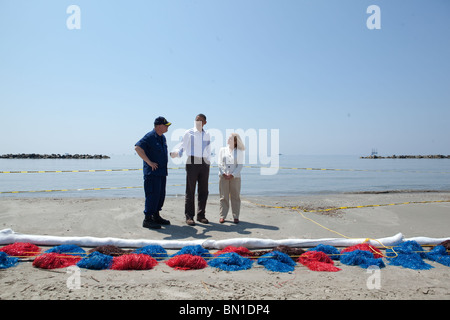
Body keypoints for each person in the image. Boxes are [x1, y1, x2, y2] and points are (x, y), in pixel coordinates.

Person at [170, 114, 211, 226]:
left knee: (204, 190)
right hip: (192, 161)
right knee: (190, 190)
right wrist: (176, 154)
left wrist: (208, 162)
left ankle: (201, 215)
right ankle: (189, 217)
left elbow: (208, 149)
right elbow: (182, 147)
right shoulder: (189, 133)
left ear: (205, 123)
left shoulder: (207, 134)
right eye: (196, 120)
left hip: (204, 162)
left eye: (200, 121)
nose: (198, 122)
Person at [135, 116, 171, 229]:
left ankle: (156, 215)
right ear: (159, 126)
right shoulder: (150, 136)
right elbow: (137, 148)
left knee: (160, 195)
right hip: (152, 173)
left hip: (161, 172)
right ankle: (147, 219)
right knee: (152, 195)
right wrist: (149, 162)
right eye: (166, 126)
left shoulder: (162, 137)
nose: (167, 128)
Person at [218, 133, 245, 224]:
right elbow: (220, 163)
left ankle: (236, 216)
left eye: (230, 139)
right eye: (228, 138)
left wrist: (232, 175)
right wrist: (224, 173)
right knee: (223, 197)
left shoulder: (239, 152)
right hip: (223, 177)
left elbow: (240, 165)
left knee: (235, 197)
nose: (228, 140)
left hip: (235, 178)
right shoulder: (222, 150)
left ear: (235, 141)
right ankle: (222, 216)